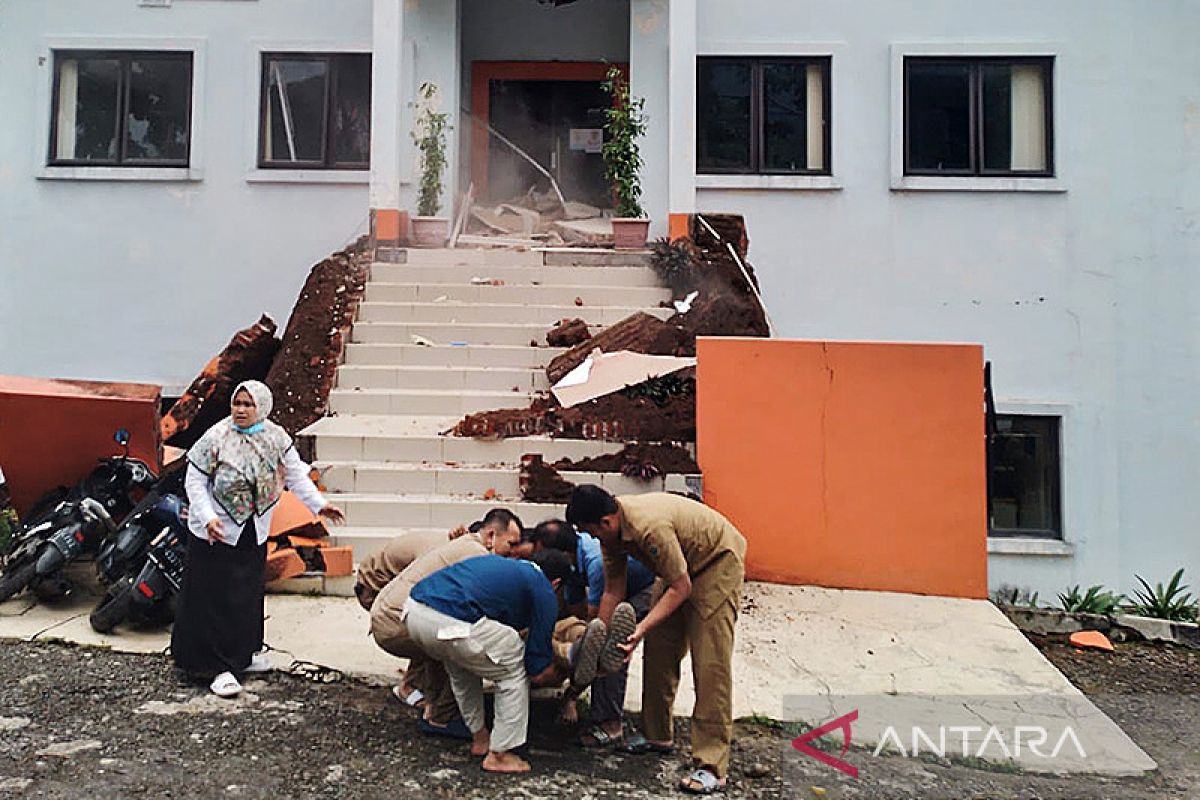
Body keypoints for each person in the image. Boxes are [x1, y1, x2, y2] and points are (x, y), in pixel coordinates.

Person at [566, 486, 747, 795]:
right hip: (679, 568)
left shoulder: (649, 528)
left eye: (592, 533)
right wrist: (601, 637)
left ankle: (712, 766)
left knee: (710, 664)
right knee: (660, 652)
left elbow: (682, 587)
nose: (594, 540)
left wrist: (641, 628)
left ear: (606, 522)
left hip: (716, 562)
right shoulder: (612, 533)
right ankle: (657, 736)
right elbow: (613, 590)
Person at [173, 381, 345, 698]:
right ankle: (215, 667)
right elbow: (195, 480)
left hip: (252, 529)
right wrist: (209, 517)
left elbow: (294, 474)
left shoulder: (275, 436)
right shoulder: (217, 436)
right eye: (237, 403)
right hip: (217, 531)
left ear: (262, 408)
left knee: (246, 593)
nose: (240, 410)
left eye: (247, 405)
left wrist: (319, 505)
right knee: (216, 598)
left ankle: (242, 655)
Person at [404, 551, 610, 774]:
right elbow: (535, 665)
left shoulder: (504, 567)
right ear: (556, 584)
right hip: (454, 621)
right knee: (513, 667)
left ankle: (480, 739)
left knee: (462, 668)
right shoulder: (542, 587)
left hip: (413, 613)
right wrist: (556, 674)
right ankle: (500, 754)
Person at [368, 509, 523, 734]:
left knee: (441, 635)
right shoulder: (478, 557)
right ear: (491, 536)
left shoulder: (466, 544)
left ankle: (432, 706)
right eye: (511, 544)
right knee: (466, 644)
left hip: (387, 614)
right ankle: (443, 716)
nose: (513, 553)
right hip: (395, 621)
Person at [524, 518, 653, 746]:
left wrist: (572, 693)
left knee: (613, 644)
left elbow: (595, 631)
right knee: (580, 633)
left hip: (646, 588)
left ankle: (609, 723)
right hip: (614, 587)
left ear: (564, 555)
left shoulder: (595, 563)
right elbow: (575, 610)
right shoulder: (574, 559)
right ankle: (570, 662)